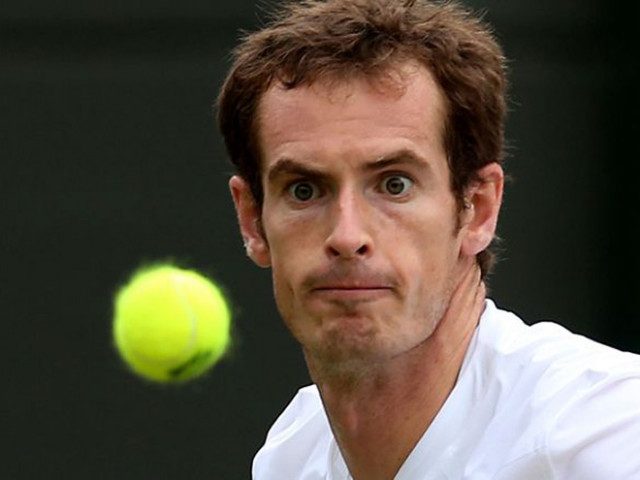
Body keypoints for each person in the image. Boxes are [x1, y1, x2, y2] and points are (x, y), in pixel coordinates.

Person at [217, 1, 640, 478]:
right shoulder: (290, 456)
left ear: (478, 208)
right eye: (304, 190)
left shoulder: (609, 430)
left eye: (394, 184)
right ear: (252, 220)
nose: (347, 236)